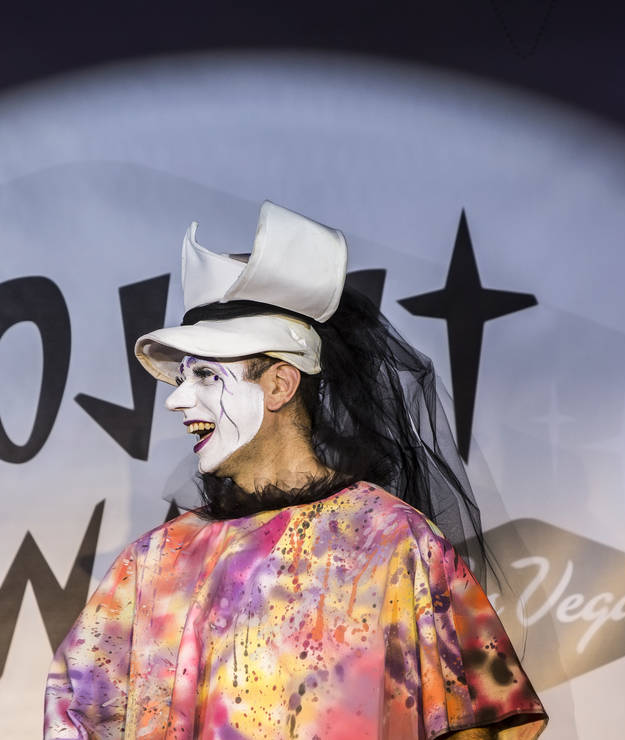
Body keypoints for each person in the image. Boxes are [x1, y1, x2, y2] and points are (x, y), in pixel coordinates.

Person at [44, 202, 547, 739]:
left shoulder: (393, 543)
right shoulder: (155, 563)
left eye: (206, 376)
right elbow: (76, 712)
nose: (176, 400)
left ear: (280, 384)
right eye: (182, 378)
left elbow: (473, 722)